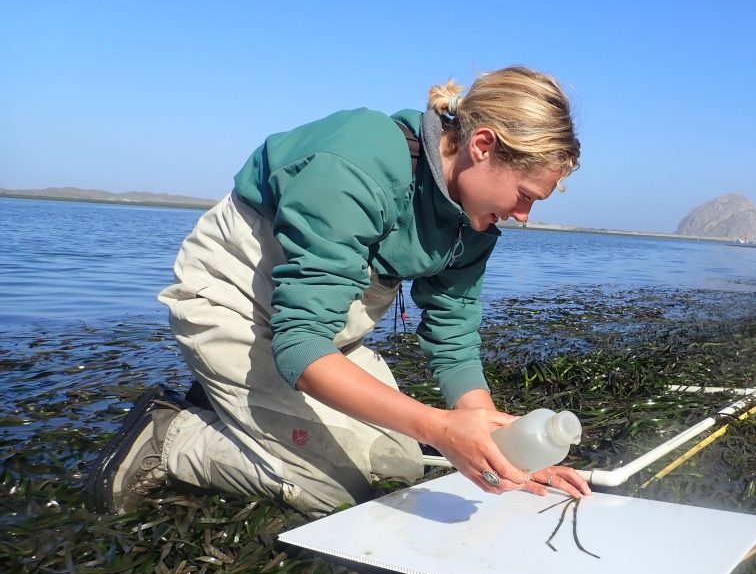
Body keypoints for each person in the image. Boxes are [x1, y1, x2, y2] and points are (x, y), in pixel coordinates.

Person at [88, 66, 591, 516]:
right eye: (525, 197)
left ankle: (239, 402)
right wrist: (439, 428)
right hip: (234, 305)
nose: (524, 217)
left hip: (323, 329)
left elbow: (453, 332)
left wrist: (505, 449)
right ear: (482, 146)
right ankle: (170, 437)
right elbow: (302, 344)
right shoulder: (355, 165)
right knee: (336, 492)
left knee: (399, 465)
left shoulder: (473, 219)